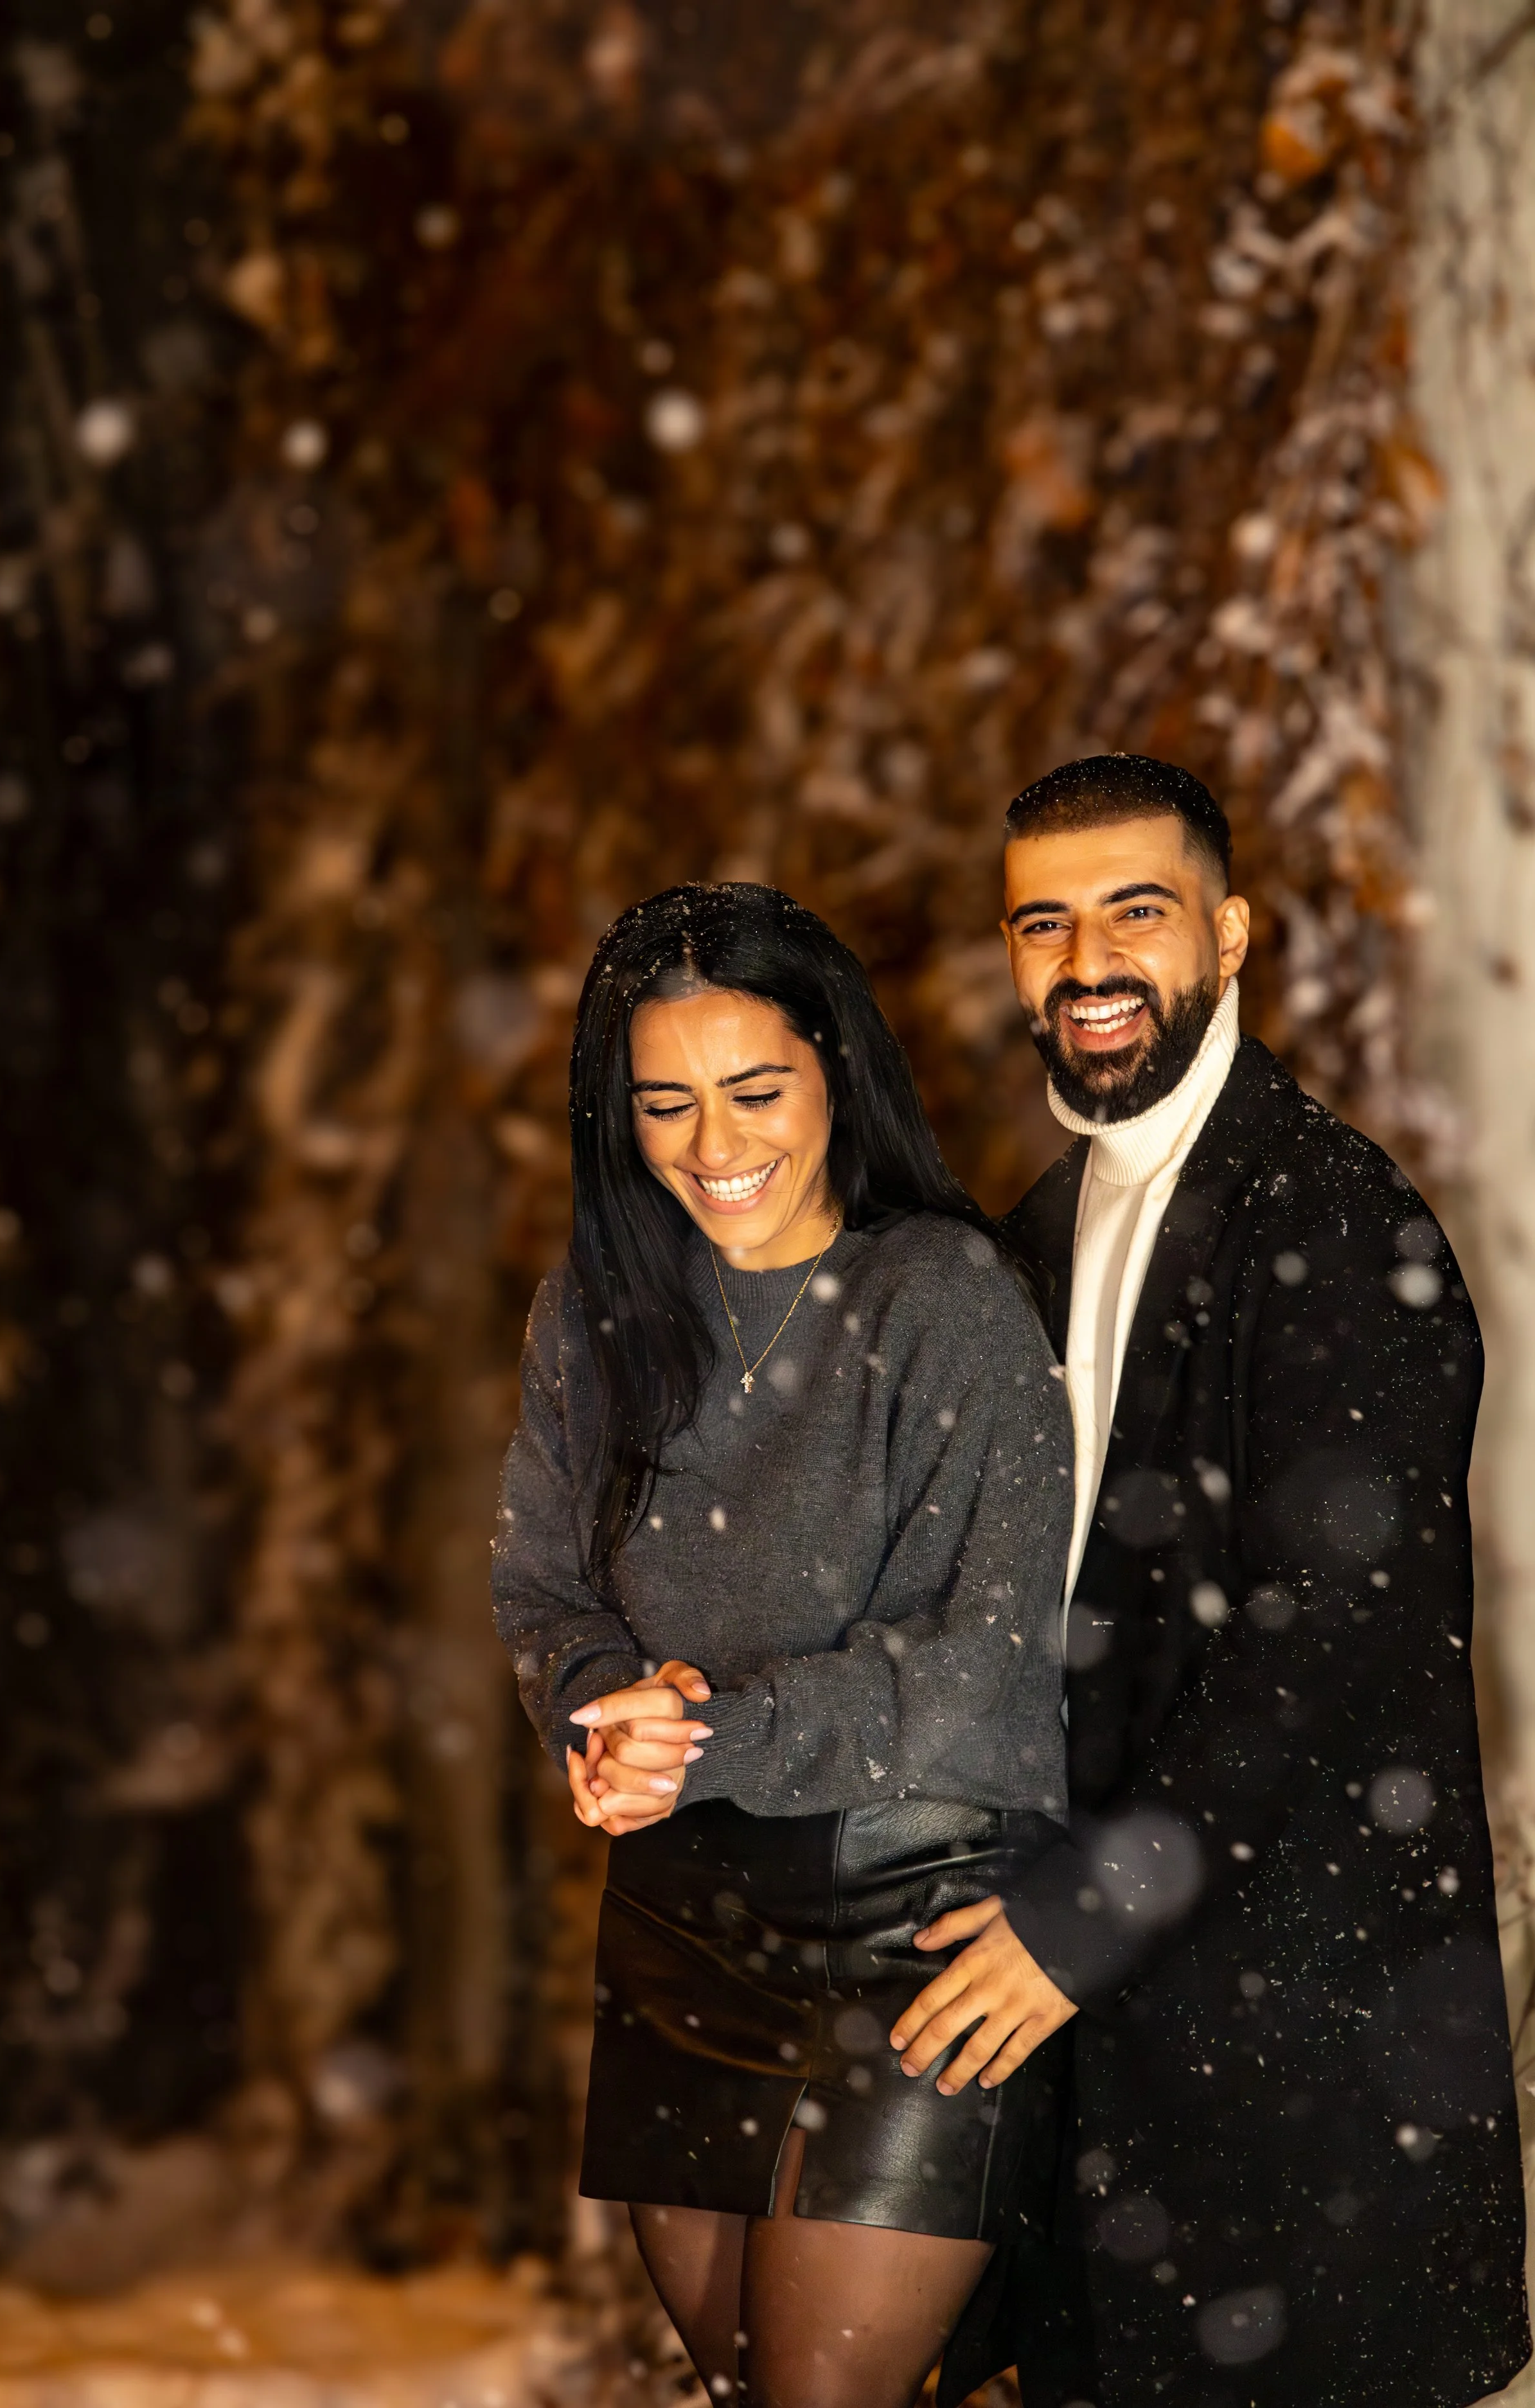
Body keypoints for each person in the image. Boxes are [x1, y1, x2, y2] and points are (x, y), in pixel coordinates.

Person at [885, 754, 1529, 2408]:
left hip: (1302, 2082)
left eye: (1134, 912)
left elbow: (1330, 1649)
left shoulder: (1336, 1223)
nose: (1086, 960)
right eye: (1045, 922)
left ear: (1227, 934)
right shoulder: (1027, 1239)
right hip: (1106, 2107)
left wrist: (1073, 1919)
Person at [491, 881, 1077, 2408]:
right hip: (680, 1917)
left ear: (834, 1068)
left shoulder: (941, 1294)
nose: (714, 1141)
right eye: (664, 1102)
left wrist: (705, 1738)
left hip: (913, 1926)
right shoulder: (594, 1315)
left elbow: (983, 1657)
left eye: (754, 1088)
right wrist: (594, 1707)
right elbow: (541, 1592)